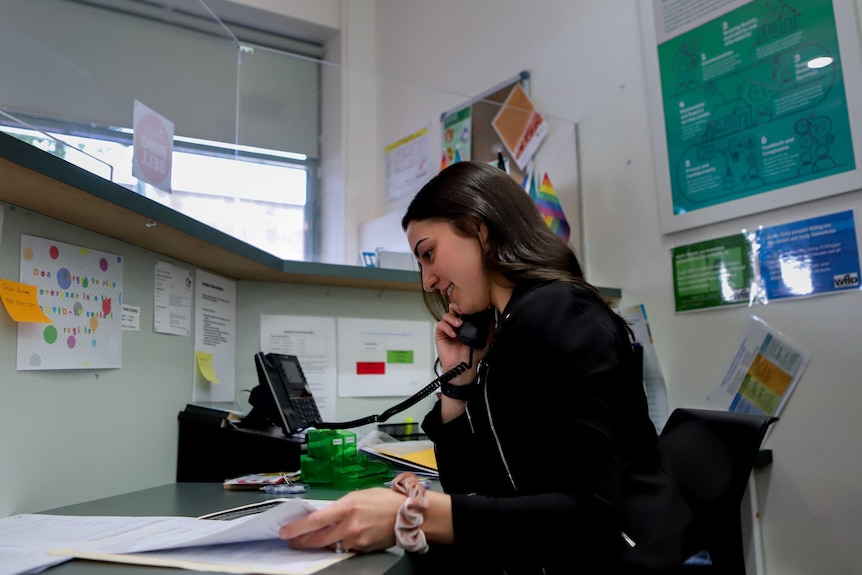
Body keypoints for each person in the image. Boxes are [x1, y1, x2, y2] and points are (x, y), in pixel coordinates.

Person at [279, 161, 686, 573]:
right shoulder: (510, 328)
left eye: (428, 254)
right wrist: (458, 385)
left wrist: (413, 515)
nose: (428, 282)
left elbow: (592, 517)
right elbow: (473, 488)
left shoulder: (562, 315)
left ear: (479, 229)